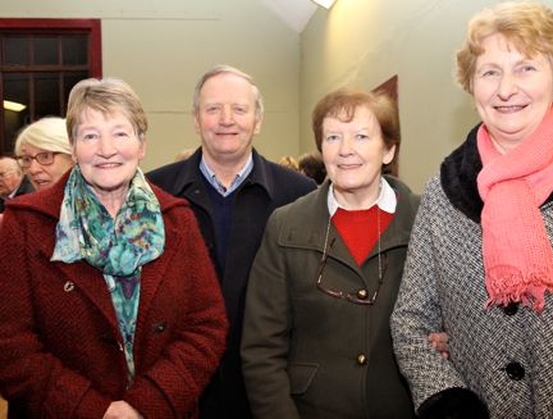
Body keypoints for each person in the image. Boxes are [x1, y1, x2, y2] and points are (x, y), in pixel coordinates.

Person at [390, 2, 553, 419]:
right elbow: (411, 324)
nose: (506, 89)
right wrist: (451, 404)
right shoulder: (442, 192)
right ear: (472, 88)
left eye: (526, 68)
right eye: (490, 72)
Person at [0, 77, 229, 418]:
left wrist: (146, 404)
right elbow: (11, 342)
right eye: (90, 135)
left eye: (120, 133)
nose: (106, 149)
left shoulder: (177, 220)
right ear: (74, 147)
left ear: (142, 145)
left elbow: (207, 325)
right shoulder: (25, 224)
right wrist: (93, 411)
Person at [146, 64, 316, 418]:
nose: (226, 119)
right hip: (180, 389)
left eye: (239, 109)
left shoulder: (299, 195)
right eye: (213, 109)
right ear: (196, 119)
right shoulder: (153, 193)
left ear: (258, 120)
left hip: (270, 390)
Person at [242, 88, 420, 418]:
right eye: (333, 137)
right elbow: (262, 348)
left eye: (362, 136)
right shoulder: (286, 226)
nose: (345, 150)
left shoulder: (424, 221)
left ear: (388, 149)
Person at [14, 116, 74, 190]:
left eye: (45, 157)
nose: (33, 170)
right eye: (27, 159)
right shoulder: (22, 201)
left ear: (73, 157)